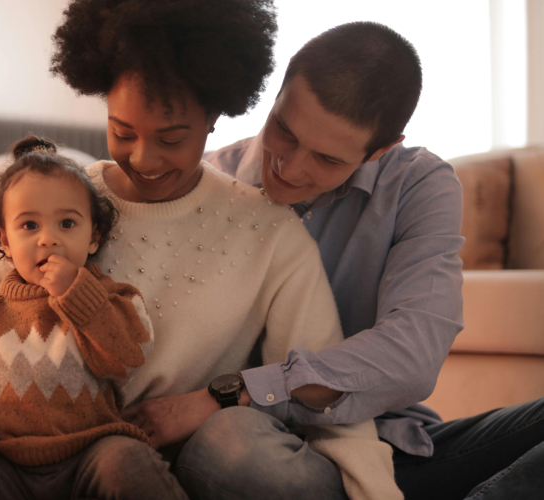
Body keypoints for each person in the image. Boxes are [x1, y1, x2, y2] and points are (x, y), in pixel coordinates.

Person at [0, 2, 403, 499]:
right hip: (20, 456)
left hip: (145, 468)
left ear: (213, 117)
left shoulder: (271, 234)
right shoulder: (58, 203)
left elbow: (323, 396)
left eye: (171, 138)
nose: (143, 157)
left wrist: (376, 490)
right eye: (122, 132)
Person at [186, 21, 544, 500]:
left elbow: (413, 354)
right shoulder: (200, 184)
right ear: (276, 95)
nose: (289, 169)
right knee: (228, 445)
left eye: (328, 160)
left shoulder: (417, 183)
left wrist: (240, 391)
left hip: (389, 449)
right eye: (284, 131)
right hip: (253, 452)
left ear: (381, 150)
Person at [0, 135, 187, 500]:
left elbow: (127, 357)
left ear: (94, 236)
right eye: (29, 226)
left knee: (129, 462)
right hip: (3, 461)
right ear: (4, 241)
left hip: (90, 453)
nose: (48, 239)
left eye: (67, 224)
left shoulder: (113, 298)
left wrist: (76, 292)